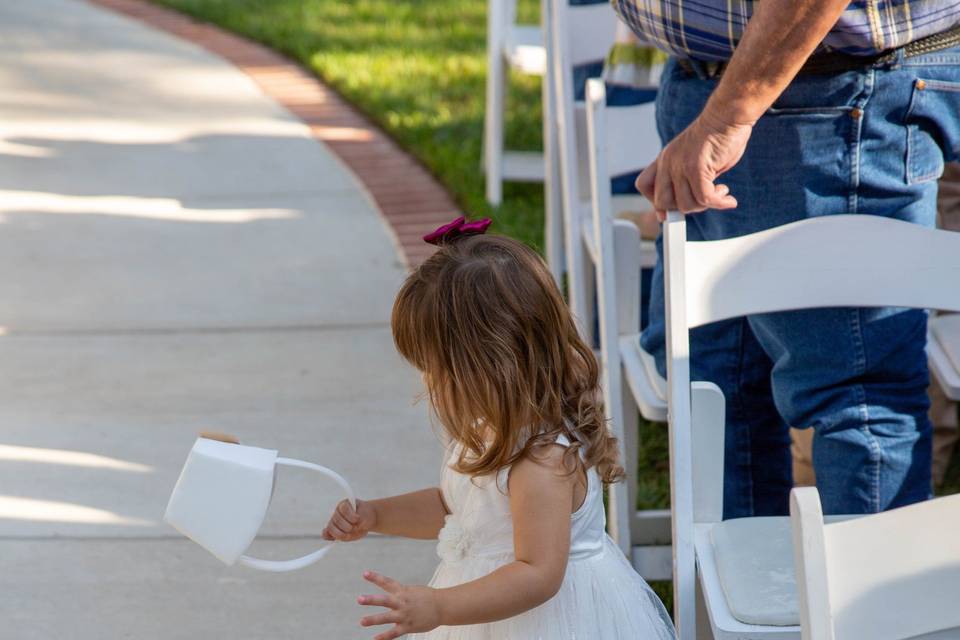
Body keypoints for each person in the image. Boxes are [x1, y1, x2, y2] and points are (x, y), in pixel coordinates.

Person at [612, 0, 960, 517]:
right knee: (715, 383)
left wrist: (730, 113)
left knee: (856, 403)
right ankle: (749, 593)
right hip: (733, 87)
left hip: (824, 94)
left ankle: (868, 597)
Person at [321, 218, 675, 640]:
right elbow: (459, 511)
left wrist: (440, 606)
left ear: (489, 369)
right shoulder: (490, 428)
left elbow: (538, 574)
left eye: (435, 369)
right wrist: (376, 514)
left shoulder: (541, 462)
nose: (427, 381)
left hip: (551, 623)